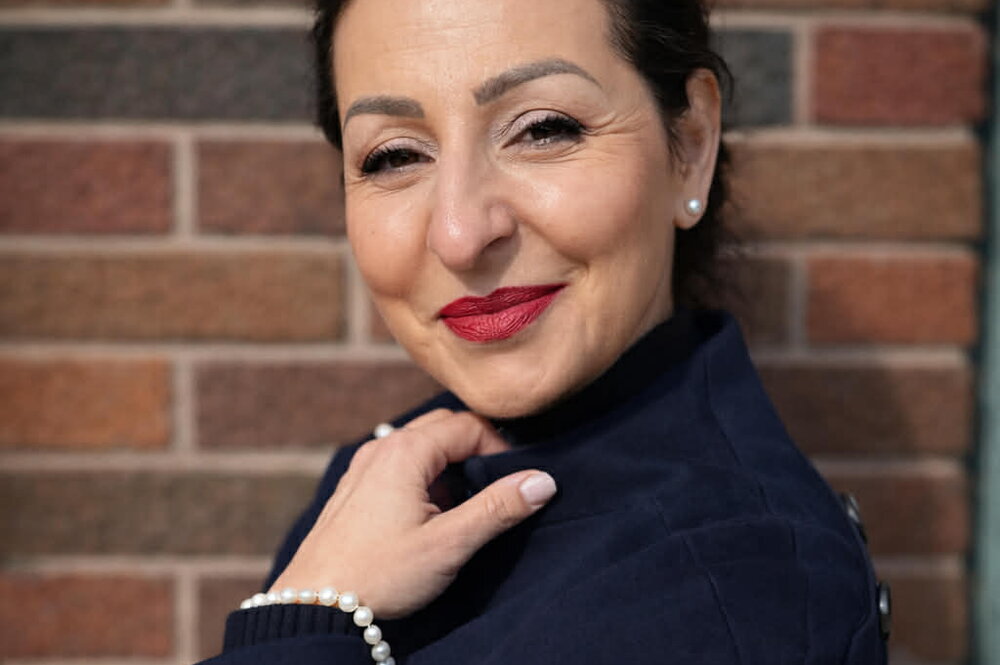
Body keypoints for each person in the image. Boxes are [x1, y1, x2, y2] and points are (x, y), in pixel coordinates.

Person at [199, 0, 889, 662]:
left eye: (544, 129)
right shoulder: (394, 473)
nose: (461, 233)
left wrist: (303, 621)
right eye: (395, 156)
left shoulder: (730, 589)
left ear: (690, 145)